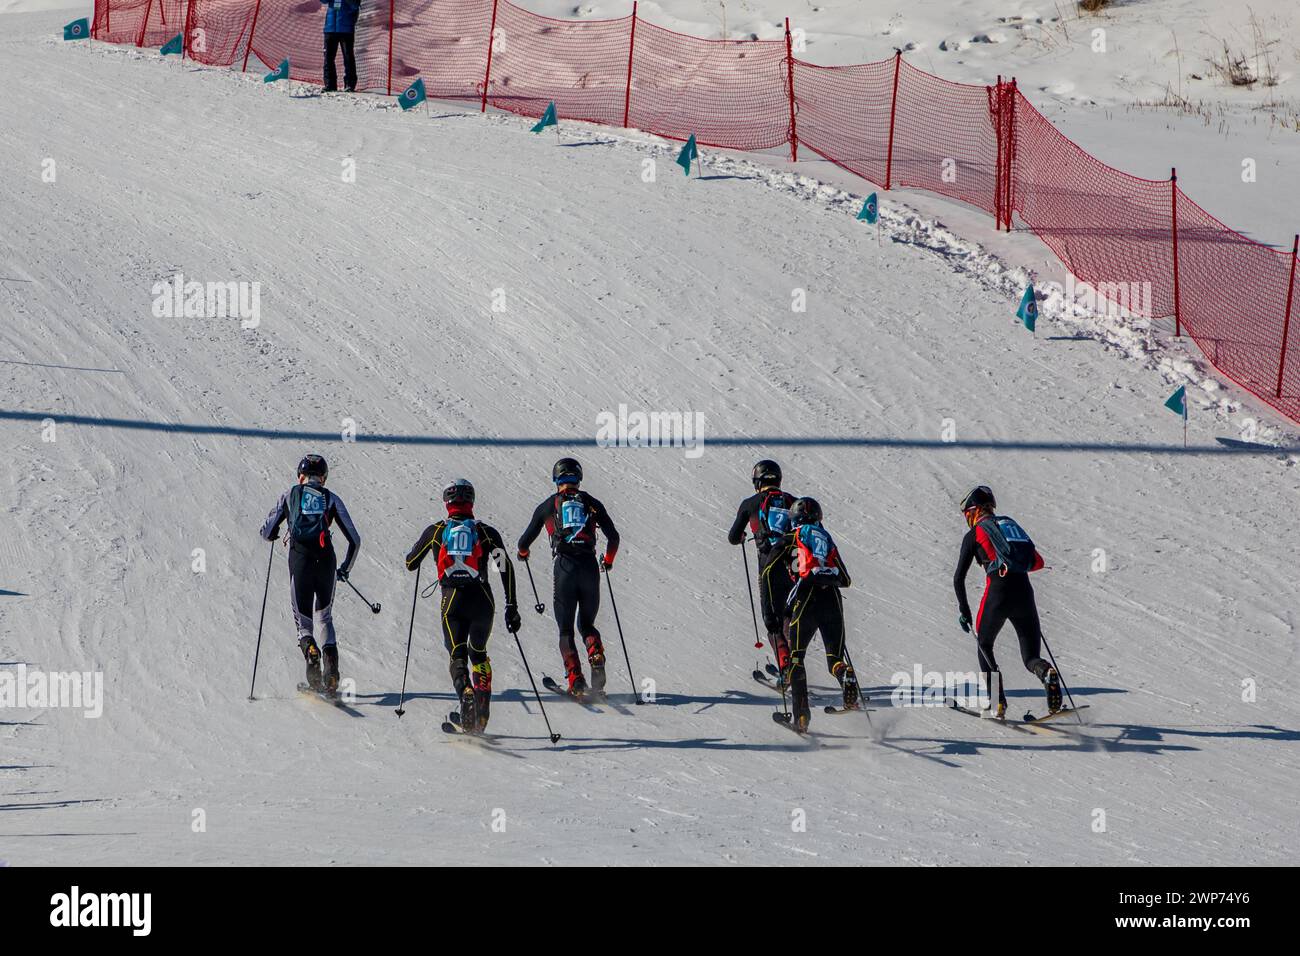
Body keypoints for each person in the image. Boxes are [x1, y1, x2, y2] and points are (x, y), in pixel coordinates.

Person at [405, 479, 520, 734]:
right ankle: (481, 714)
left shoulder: (437, 530)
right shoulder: (485, 532)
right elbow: (505, 567)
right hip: (483, 600)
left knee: (457, 654)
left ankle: (465, 691)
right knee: (478, 653)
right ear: (472, 502)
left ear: (447, 502)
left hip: (452, 601)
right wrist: (511, 605)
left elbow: (411, 562)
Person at [952, 485, 1061, 717]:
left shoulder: (974, 534)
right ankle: (1047, 673)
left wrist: (965, 611)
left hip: (998, 592)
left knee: (984, 645)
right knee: (1031, 657)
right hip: (1024, 592)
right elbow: (1037, 561)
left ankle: (996, 702)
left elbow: (958, 578)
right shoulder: (1009, 525)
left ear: (973, 511)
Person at [517, 458, 620, 696]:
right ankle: (595, 652)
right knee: (586, 624)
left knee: (565, 630)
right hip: (589, 566)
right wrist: (609, 561)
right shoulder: (592, 503)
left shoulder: (548, 506)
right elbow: (613, 538)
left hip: (564, 567)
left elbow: (523, 543)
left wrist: (524, 553)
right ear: (578, 478)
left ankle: (576, 681)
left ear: (556, 480)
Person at [260, 454, 361, 695]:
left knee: (303, 622)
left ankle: (311, 656)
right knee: (324, 617)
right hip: (326, 561)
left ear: (300, 476)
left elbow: (266, 531)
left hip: (300, 560)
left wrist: (274, 534)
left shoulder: (290, 494)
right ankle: (332, 674)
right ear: (323, 478)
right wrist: (345, 568)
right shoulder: (331, 498)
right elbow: (355, 540)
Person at [770, 497, 856, 732]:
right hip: (832, 600)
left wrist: (773, 609)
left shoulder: (790, 538)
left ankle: (801, 717)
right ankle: (844, 674)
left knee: (797, 657)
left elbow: (769, 568)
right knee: (835, 657)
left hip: (804, 598)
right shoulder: (825, 538)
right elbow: (846, 580)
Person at [727, 459, 797, 679]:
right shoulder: (793, 502)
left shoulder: (751, 503)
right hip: (795, 568)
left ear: (757, 481)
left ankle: (786, 666)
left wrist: (743, 536)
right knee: (791, 618)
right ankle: (797, 665)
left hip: (769, 568)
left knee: (772, 621)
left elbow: (733, 537)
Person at [320, 0, 361, 93]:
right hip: (330, 28)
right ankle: (330, 85)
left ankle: (349, 85)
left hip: (346, 29)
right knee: (328, 58)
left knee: (348, 57)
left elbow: (355, 5)